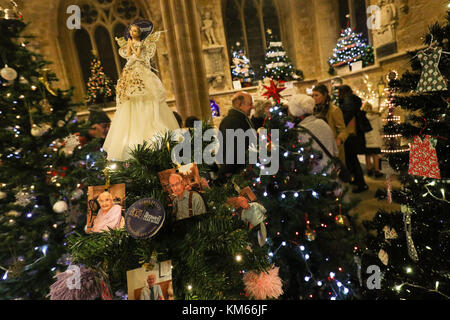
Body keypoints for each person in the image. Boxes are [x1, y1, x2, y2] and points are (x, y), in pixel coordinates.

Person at [103, 20, 180, 161]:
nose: (134, 33)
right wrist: (130, 48)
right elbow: (128, 54)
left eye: (136, 31)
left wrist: (134, 49)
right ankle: (136, 137)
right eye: (132, 31)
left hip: (140, 68)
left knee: (149, 97)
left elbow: (138, 55)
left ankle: (153, 132)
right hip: (132, 70)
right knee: (132, 100)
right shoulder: (131, 42)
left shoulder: (142, 44)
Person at [288, 94, 338, 174]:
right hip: (332, 173)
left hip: (314, 178)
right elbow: (335, 151)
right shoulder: (323, 123)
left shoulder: (298, 132)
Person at [218, 91, 256, 179]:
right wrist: (228, 171)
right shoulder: (232, 122)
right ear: (239, 104)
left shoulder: (240, 119)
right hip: (238, 172)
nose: (252, 107)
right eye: (250, 104)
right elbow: (232, 149)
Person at [338, 85, 369, 193]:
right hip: (355, 135)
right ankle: (357, 180)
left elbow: (345, 117)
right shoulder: (353, 100)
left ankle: (362, 184)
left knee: (353, 160)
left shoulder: (348, 102)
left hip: (351, 135)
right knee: (353, 159)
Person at [312, 84, 348, 165]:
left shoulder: (334, 110)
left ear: (324, 95)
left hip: (332, 149)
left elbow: (343, 130)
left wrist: (338, 140)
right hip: (320, 147)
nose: (314, 98)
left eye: (316, 95)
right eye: (313, 95)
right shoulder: (314, 110)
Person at [362, 102, 384, 178]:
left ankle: (369, 170)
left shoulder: (362, 117)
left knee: (367, 155)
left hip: (366, 138)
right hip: (375, 138)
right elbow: (381, 127)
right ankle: (376, 171)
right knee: (375, 155)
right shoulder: (377, 116)